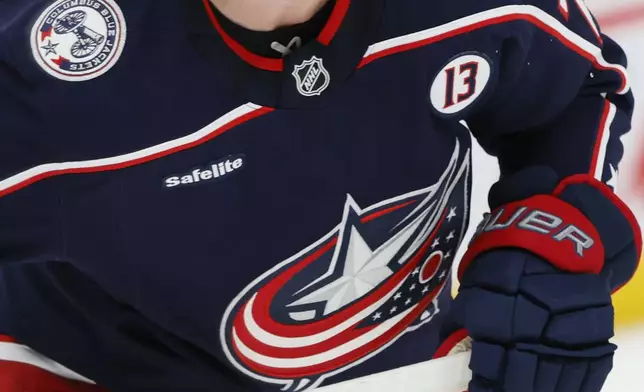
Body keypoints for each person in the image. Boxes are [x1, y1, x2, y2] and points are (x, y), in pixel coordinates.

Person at [0, 0, 640, 391]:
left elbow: (580, 87)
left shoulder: (477, 7)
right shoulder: (53, 75)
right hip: (90, 370)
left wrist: (550, 225)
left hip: (402, 376)